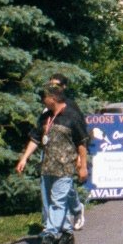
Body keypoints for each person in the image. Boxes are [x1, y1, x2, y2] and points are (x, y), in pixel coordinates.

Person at [14, 84, 89, 244]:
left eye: (44, 98)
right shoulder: (45, 117)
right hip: (47, 167)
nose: (42, 101)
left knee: (58, 201)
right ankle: (67, 233)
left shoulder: (71, 117)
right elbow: (35, 139)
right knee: (51, 200)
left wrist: (82, 165)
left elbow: (82, 143)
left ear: (53, 98)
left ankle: (50, 234)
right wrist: (24, 158)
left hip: (64, 167)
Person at [47, 71, 88, 232]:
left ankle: (76, 209)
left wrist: (80, 159)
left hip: (67, 154)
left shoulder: (70, 106)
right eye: (51, 84)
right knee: (51, 191)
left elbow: (81, 134)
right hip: (50, 154)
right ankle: (52, 224)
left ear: (64, 87)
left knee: (66, 186)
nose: (53, 87)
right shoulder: (48, 106)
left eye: (57, 85)